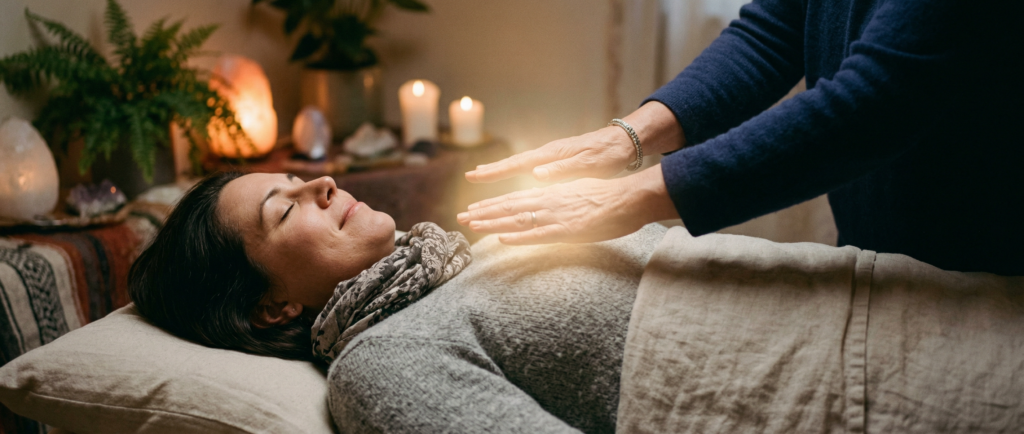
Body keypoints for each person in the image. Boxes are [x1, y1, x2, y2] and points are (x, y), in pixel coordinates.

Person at [458, 0, 1024, 275]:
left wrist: (633, 198)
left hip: (991, 265)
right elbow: (775, 29)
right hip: (882, 255)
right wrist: (626, 138)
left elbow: (877, 99)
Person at [129, 171, 667, 433]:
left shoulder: (462, 258)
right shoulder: (382, 360)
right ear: (271, 304)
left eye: (298, 178)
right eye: (285, 211)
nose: (324, 182)